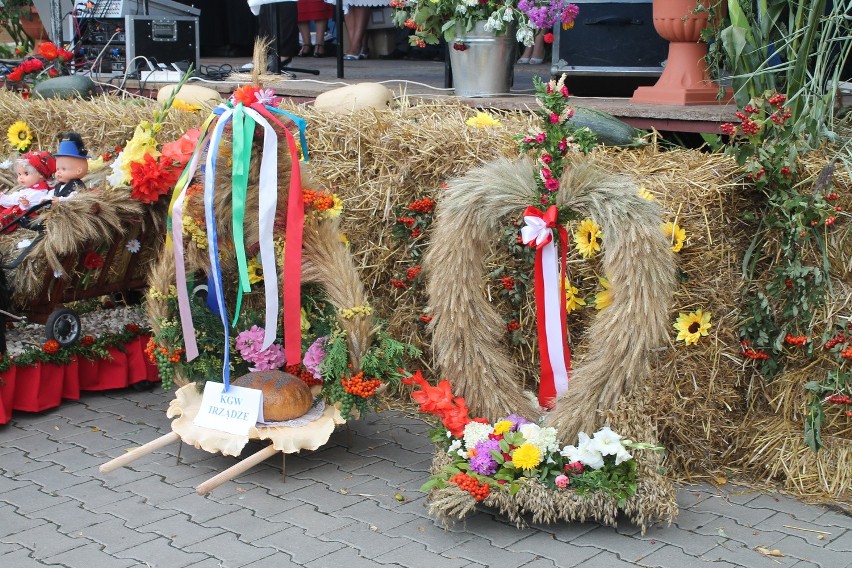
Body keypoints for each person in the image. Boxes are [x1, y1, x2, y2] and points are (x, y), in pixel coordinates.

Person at [0, 151, 56, 232]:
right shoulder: (31, 189)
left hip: (21, 214)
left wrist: (26, 205)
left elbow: (34, 207)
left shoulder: (39, 192)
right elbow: (15, 197)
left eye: (26, 174)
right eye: (19, 174)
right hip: (16, 208)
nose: (21, 178)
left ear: (41, 174)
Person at [52, 132, 89, 198]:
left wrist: (60, 200)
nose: (58, 172)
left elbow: (74, 198)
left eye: (64, 169)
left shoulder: (76, 185)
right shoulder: (59, 185)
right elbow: (52, 195)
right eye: (57, 169)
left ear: (78, 171)